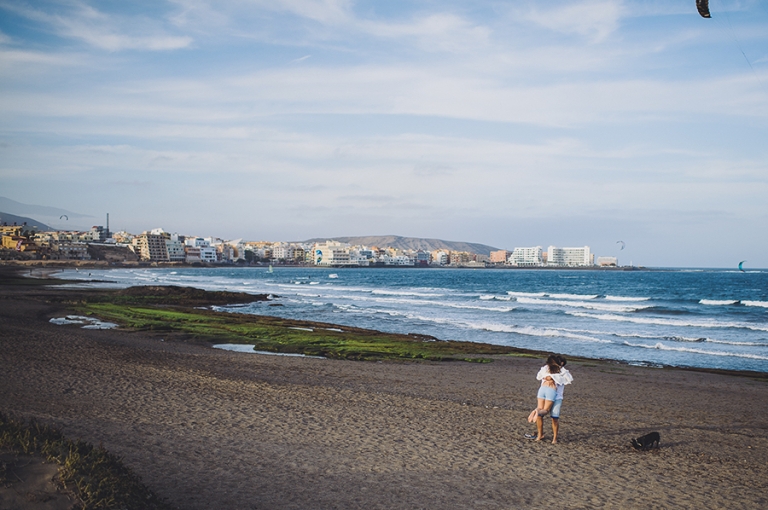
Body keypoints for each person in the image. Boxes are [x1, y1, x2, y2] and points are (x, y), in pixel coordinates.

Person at [525, 355, 572, 443]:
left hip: (555, 396)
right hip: (551, 394)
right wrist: (550, 377)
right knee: (545, 415)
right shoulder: (547, 369)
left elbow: (566, 380)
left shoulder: (562, 371)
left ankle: (552, 438)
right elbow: (540, 376)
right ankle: (542, 435)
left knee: (553, 417)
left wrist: (552, 377)